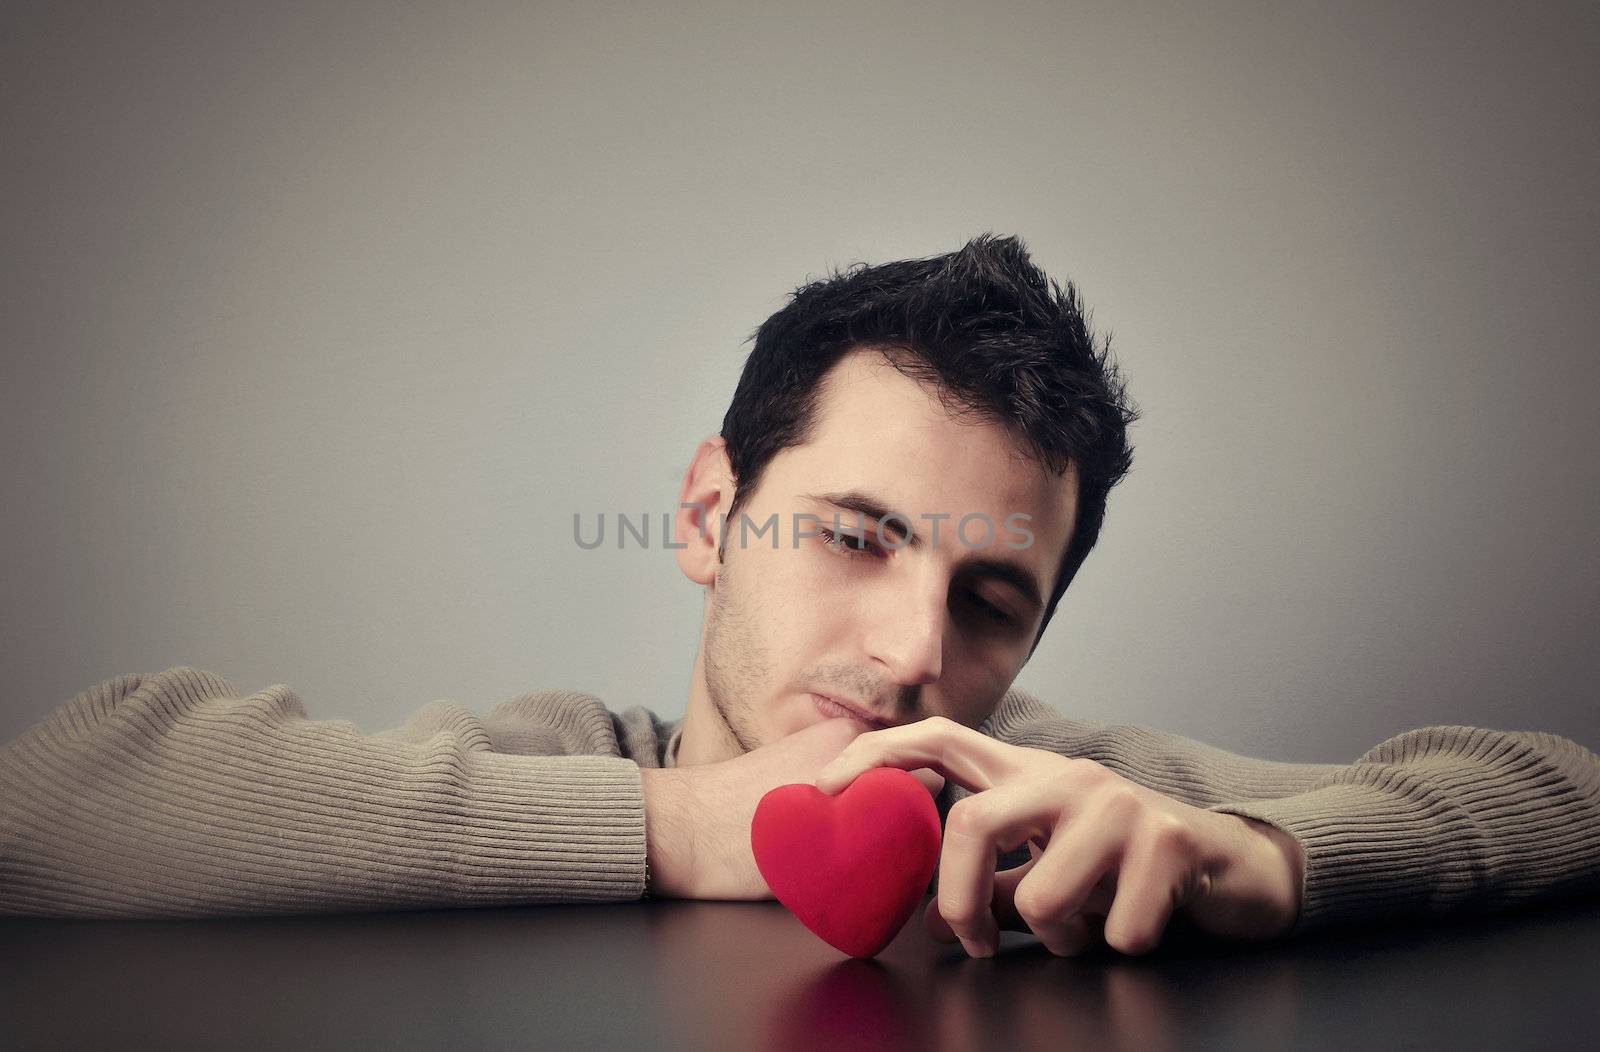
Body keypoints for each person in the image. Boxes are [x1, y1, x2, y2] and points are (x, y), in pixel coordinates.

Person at [3, 235, 1597, 959]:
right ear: (713, 513)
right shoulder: (561, 758)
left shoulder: (1058, 797)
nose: (914, 652)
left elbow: (1563, 795)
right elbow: (55, 806)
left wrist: (1272, 862)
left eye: (989, 597)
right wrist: (704, 826)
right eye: (853, 535)